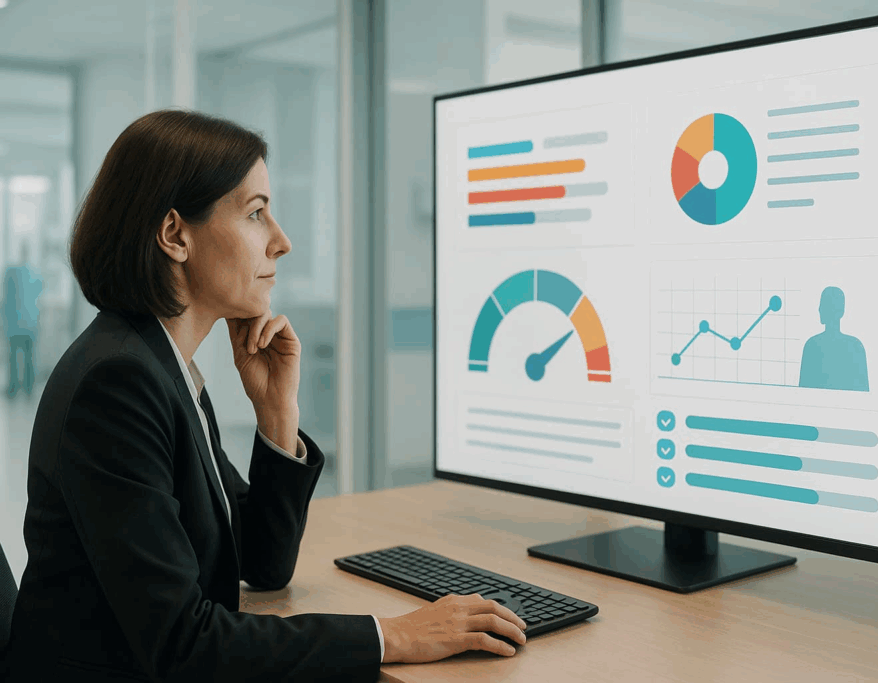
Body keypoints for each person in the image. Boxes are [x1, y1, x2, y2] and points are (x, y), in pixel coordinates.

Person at [1, 109, 526, 683]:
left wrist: (277, 413)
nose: (282, 241)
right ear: (176, 235)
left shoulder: (160, 365)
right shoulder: (119, 383)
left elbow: (261, 562)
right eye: (256, 214)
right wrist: (391, 635)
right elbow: (184, 644)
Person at [798, 286, 869, 392]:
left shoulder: (812, 345)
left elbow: (804, 390)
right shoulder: (856, 346)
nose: (819, 309)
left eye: (822, 305)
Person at [2, 242, 43, 399]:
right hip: (29, 323)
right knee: (28, 359)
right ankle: (27, 388)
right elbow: (37, 297)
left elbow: (6, 300)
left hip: (15, 324)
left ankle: (14, 388)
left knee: (14, 358)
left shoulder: (11, 273)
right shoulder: (33, 274)